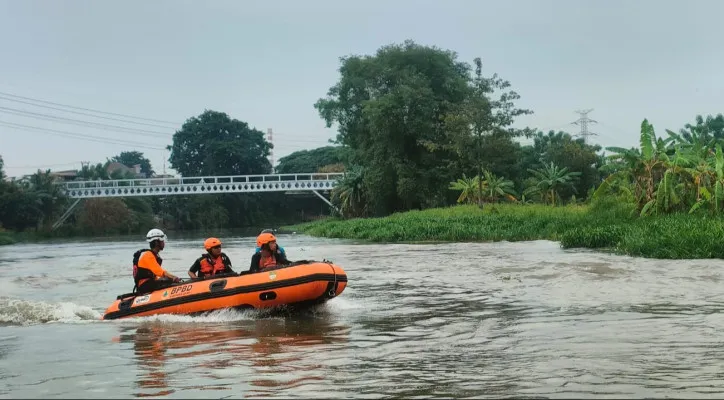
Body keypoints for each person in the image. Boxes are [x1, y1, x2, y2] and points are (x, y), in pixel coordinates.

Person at [133, 228, 180, 294]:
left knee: (167, 280)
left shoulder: (155, 255)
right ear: (156, 242)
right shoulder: (148, 255)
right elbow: (160, 272)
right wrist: (174, 277)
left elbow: (155, 276)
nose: (164, 243)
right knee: (168, 280)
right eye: (162, 241)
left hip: (149, 283)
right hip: (144, 285)